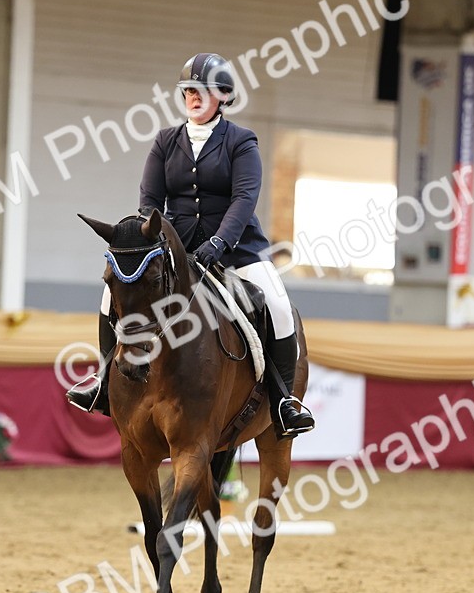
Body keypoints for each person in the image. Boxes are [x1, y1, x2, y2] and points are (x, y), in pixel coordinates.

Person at [67, 52, 314, 438]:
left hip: (237, 248)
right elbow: (150, 201)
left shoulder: (241, 141)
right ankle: (102, 383)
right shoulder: (166, 141)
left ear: (223, 96)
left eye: (202, 91)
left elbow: (244, 199)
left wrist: (219, 242)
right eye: (188, 91)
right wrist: (160, 242)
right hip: (175, 247)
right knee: (109, 296)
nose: (194, 97)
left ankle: (284, 402)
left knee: (279, 307)